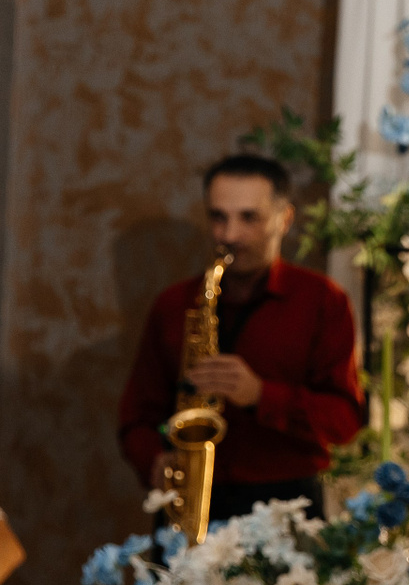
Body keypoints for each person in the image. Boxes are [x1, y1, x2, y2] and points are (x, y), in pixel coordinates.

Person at [117, 153, 362, 523]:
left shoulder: (323, 301)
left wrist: (262, 394)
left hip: (285, 503)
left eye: (249, 218)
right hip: (189, 500)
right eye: (218, 217)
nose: (229, 235)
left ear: (285, 219)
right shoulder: (174, 304)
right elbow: (136, 416)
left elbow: (344, 420)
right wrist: (154, 457)